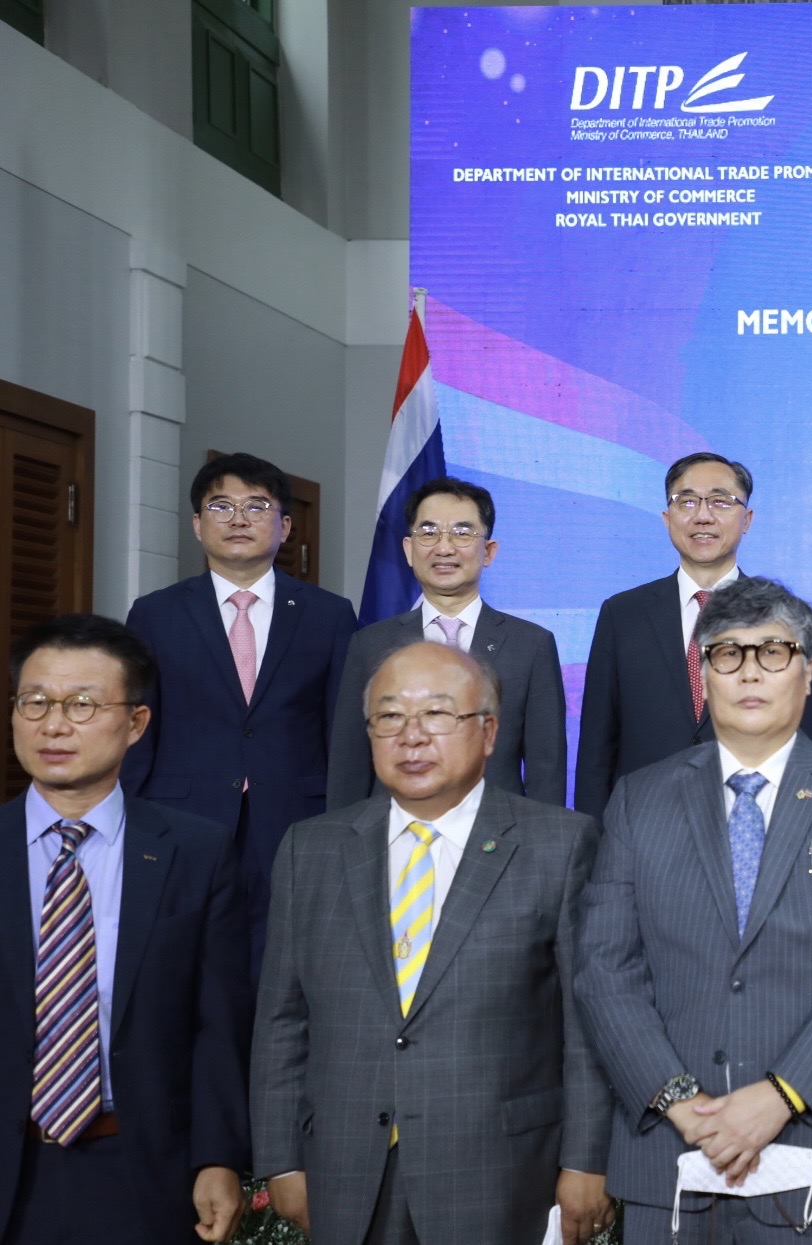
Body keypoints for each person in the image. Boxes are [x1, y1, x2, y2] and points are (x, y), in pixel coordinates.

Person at [575, 577, 812, 1244]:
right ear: (704, 676)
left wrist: (781, 1094)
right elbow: (604, 967)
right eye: (728, 654)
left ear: (808, 673)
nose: (750, 672)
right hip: (670, 1153)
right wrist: (681, 1103)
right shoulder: (639, 798)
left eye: (773, 651)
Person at [250, 642, 612, 1245]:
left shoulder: (560, 844)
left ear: (489, 732)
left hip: (500, 1169)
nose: (411, 737)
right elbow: (282, 1020)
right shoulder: (310, 849)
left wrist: (586, 1160)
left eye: (438, 714)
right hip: (343, 1167)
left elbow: (586, 1024)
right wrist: (282, 1160)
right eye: (389, 716)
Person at [0, 615, 250, 1245]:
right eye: (35, 702)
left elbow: (217, 1022)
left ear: (136, 723)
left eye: (82, 705)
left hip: (142, 1168)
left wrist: (217, 1157)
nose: (54, 725)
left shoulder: (195, 851)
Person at [122, 452, 358, 973]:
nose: (238, 519)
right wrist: (130, 819)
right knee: (184, 967)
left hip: (296, 820)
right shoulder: (155, 613)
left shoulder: (329, 615)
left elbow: (342, 732)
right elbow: (137, 729)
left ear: (285, 526)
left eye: (256, 506)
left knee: (285, 968)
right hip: (181, 818)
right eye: (221, 506)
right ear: (197, 524)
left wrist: (346, 824)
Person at [574, 452, 812, 817]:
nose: (703, 516)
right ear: (667, 518)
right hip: (645, 825)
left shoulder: (787, 618)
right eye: (687, 501)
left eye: (720, 502)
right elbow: (596, 749)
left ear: (747, 519)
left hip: (754, 820)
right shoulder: (622, 614)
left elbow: (810, 742)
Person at [327, 476, 567, 807]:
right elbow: (348, 766)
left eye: (462, 533)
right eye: (429, 533)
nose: (444, 548)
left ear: (488, 552)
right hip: (392, 829)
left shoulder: (531, 644)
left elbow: (547, 768)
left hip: (498, 829)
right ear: (409, 550)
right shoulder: (369, 644)